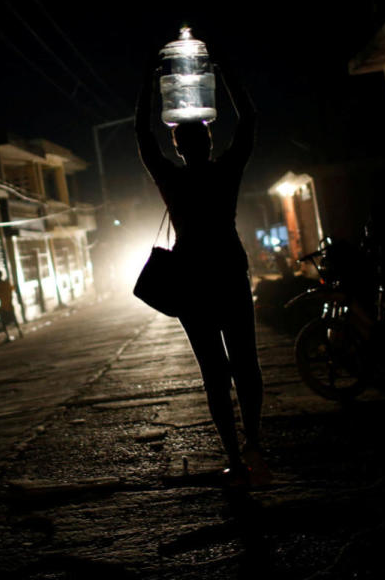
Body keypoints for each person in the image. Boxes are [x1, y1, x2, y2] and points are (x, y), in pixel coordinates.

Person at [135, 64, 271, 487]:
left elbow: (143, 135)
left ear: (176, 145)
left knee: (214, 370)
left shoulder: (171, 179)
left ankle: (233, 455)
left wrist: (148, 85)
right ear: (210, 140)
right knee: (245, 363)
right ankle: (254, 443)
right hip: (229, 272)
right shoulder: (226, 172)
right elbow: (248, 119)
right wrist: (228, 74)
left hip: (191, 280)